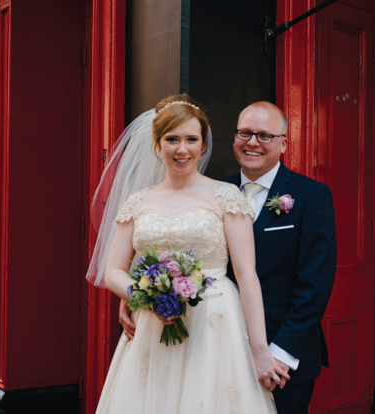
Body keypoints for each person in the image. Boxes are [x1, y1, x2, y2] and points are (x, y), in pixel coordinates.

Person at [87, 94, 287, 413]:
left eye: (191, 139)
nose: (182, 149)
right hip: (154, 323)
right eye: (172, 139)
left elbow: (248, 275)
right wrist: (143, 295)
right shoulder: (138, 201)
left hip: (215, 324)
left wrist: (260, 350)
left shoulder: (226, 196)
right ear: (157, 142)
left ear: (203, 144)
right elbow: (113, 270)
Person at [224, 101, 336, 414]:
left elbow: (315, 283)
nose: (252, 143)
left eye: (264, 136)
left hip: (283, 353)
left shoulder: (311, 196)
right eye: (244, 133)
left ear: (284, 143)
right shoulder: (219, 191)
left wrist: (281, 353)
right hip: (224, 345)